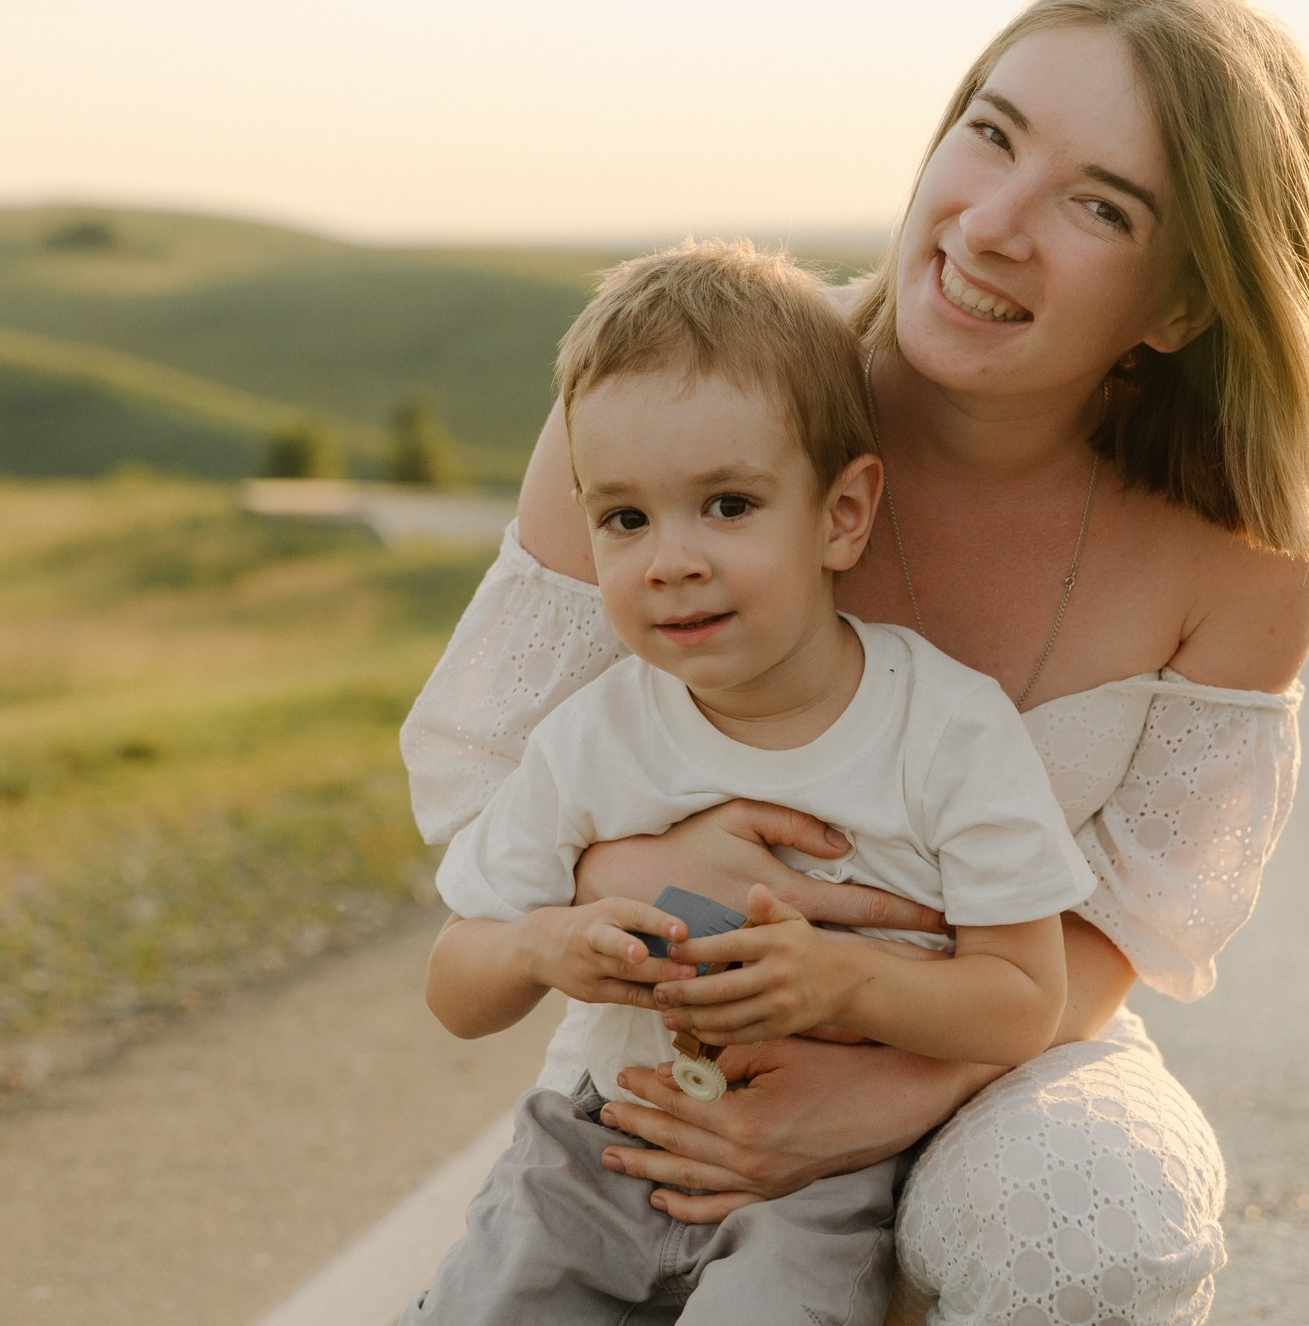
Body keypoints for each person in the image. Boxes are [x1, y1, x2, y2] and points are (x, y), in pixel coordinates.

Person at [402, 0, 1309, 1326]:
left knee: (1095, 1221)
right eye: (989, 133)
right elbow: (483, 799)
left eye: (1098, 204)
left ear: (1178, 305)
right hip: (689, 1046)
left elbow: (1114, 927)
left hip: (999, 1053)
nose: (992, 225)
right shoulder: (695, 412)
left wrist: (881, 1091)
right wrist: (649, 871)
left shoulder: (1245, 559)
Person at [408, 242, 1098, 1325]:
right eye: (625, 519)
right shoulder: (596, 736)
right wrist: (543, 943)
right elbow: (456, 981)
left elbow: (1025, 998)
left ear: (841, 514)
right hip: (601, 1138)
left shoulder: (947, 729)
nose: (669, 558)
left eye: (726, 505)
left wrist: (839, 983)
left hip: (819, 1177)